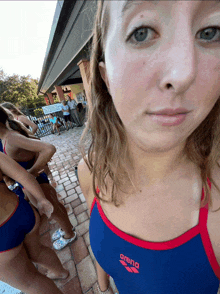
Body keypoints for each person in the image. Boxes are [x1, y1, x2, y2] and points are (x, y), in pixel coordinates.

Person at [78, 1, 220, 294]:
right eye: (141, 32)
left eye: (210, 32)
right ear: (105, 76)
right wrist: (103, 280)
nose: (183, 74)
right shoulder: (92, 169)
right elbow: (106, 249)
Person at [0, 106, 76, 250]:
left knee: (54, 211)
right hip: (30, 183)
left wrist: (32, 171)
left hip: (35, 181)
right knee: (56, 208)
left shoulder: (11, 138)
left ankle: (69, 234)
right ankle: (68, 228)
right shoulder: (7, 137)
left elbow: (48, 148)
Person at [0, 151, 69, 294]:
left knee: (29, 282)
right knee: (37, 251)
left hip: (3, 237)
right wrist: (41, 200)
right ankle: (60, 272)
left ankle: (60, 273)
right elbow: (22, 175)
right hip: (20, 210)